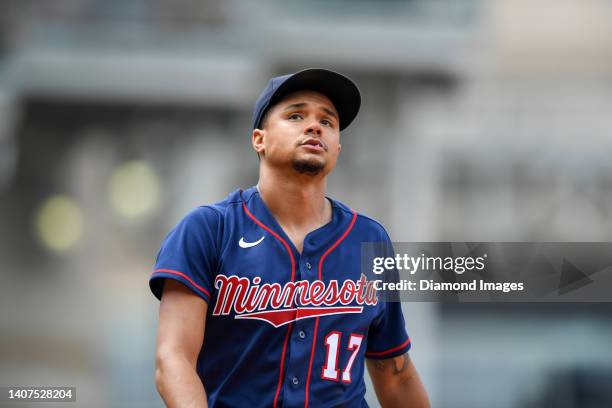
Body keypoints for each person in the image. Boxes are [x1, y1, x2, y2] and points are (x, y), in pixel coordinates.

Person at [150, 68, 430, 408]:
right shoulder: (208, 229)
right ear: (259, 139)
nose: (314, 126)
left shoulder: (369, 239)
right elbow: (173, 360)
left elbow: (396, 375)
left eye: (327, 122)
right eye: (296, 115)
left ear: (337, 148)